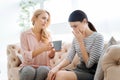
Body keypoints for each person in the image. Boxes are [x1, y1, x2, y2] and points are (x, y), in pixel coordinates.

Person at [48, 10, 104, 80]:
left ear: (84, 21)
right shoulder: (76, 38)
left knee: (60, 75)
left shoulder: (98, 37)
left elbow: (89, 64)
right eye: (72, 27)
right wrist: (56, 68)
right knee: (53, 74)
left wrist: (81, 42)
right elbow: (69, 58)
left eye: (75, 26)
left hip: (91, 72)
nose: (74, 30)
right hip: (79, 69)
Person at [19, 9, 55, 80]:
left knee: (43, 70)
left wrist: (52, 52)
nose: (45, 21)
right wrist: (42, 49)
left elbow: (50, 56)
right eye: (43, 18)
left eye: (47, 20)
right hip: (28, 66)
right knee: (28, 71)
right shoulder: (25, 34)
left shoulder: (48, 35)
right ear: (34, 18)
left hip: (44, 66)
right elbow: (26, 56)